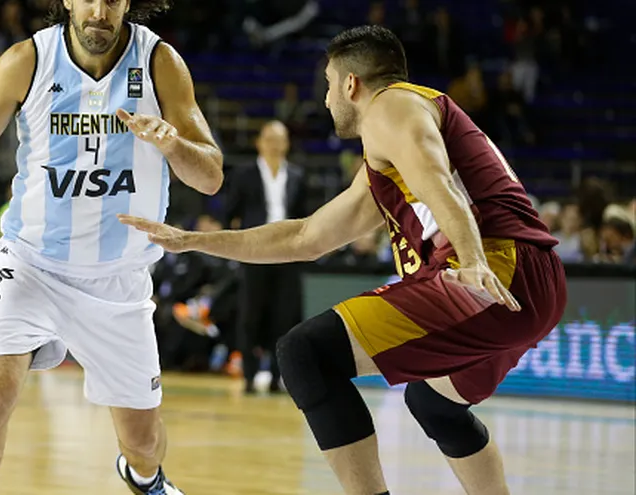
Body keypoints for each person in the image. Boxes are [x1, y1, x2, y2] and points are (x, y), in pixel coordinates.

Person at [120, 26, 566, 495]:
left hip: (495, 269)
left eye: (329, 83)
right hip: (531, 285)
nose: (328, 98)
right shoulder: (386, 157)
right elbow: (305, 237)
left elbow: (436, 176)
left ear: (351, 83)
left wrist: (472, 256)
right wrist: (192, 240)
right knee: (435, 403)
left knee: (305, 353)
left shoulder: (389, 106)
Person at [0, 1, 222, 494]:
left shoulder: (160, 63)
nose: (100, 11)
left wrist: (174, 146)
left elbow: (211, 175)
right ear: (66, 0)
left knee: (143, 442)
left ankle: (143, 478)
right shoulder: (27, 60)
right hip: (31, 263)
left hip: (119, 276)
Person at [224, 120, 309, 393]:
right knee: (250, 314)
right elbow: (229, 211)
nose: (274, 144)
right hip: (254, 252)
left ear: (287, 144)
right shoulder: (243, 174)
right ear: (259, 142)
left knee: (284, 316)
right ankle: (249, 375)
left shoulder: (297, 175)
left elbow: (304, 215)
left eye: (280, 139)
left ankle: (276, 377)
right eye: (269, 138)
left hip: (287, 253)